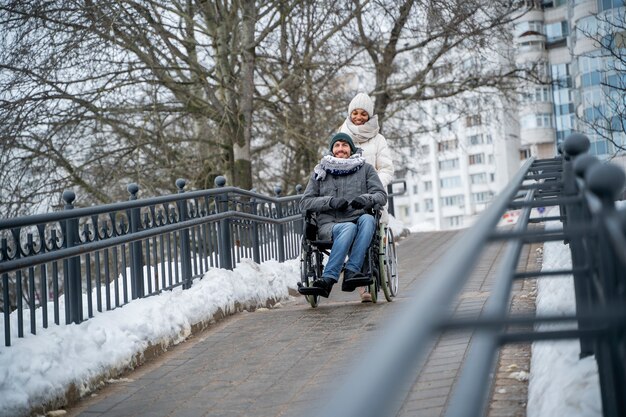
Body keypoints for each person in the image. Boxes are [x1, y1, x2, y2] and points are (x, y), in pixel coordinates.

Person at [299, 132, 387, 299]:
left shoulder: (366, 169)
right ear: (332, 150)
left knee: (368, 219)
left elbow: (381, 196)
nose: (341, 149)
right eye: (337, 145)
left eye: (344, 145)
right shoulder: (321, 171)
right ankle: (328, 278)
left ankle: (351, 272)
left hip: (358, 218)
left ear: (351, 149)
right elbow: (305, 202)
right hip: (330, 224)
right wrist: (330, 201)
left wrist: (365, 199)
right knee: (348, 227)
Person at [339, 92, 394, 302]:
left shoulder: (378, 139)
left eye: (363, 113)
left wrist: (373, 186)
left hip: (372, 196)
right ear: (350, 113)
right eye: (355, 113)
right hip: (347, 196)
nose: (359, 117)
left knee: (368, 231)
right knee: (351, 229)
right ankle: (362, 285)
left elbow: (387, 168)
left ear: (369, 116)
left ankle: (367, 276)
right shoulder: (342, 135)